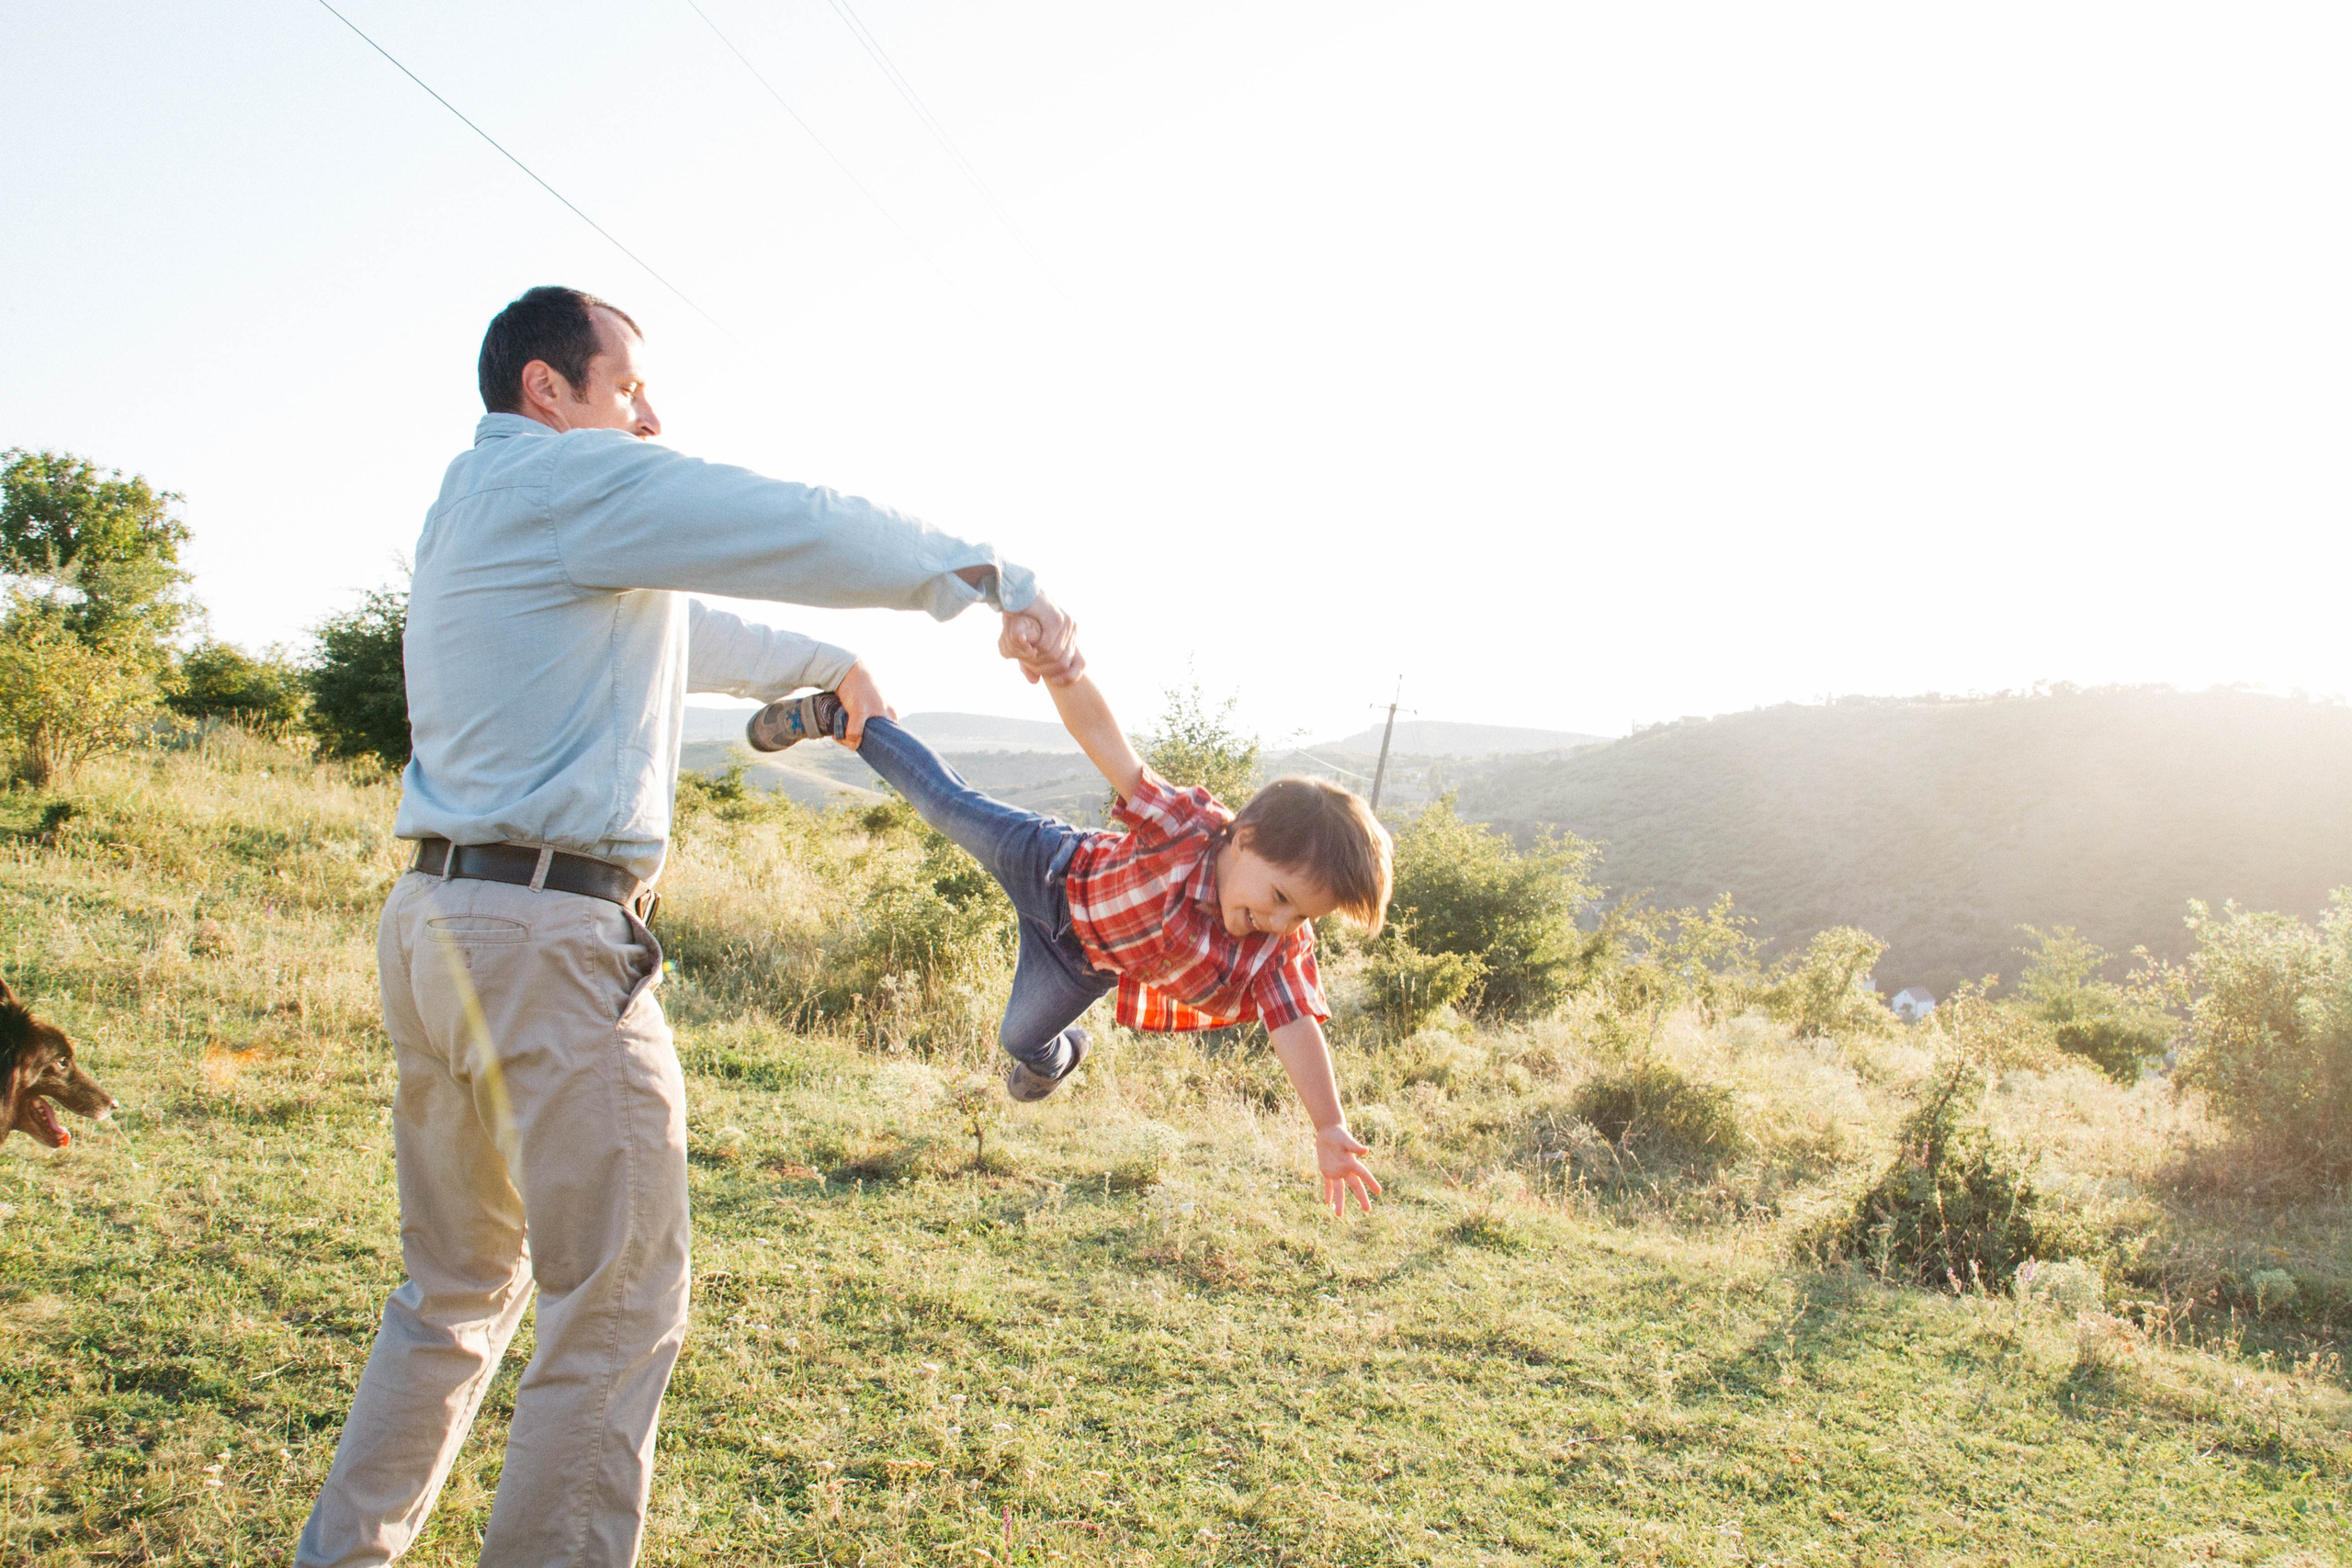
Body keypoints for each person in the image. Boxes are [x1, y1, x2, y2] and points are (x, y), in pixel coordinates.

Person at [297, 286, 1080, 1568]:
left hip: (442, 922)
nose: (652, 417)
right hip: (550, 943)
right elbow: (781, 521)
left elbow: (685, 628)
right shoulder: (563, 483)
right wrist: (992, 577)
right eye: (631, 388)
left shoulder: (484, 507)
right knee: (612, 1311)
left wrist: (817, 669)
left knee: (453, 1291)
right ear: (550, 392)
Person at [747, 660, 1389, 1220]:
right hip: (1048, 864)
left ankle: (1059, 1059)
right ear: (1243, 839)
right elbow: (1107, 743)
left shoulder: (1276, 950)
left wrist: (1328, 1123)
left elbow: (1296, 1023)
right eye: (1278, 898)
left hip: (1078, 962)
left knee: (1020, 1039)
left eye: (1300, 917)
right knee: (946, 803)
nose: (1278, 924)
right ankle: (842, 716)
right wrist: (1061, 669)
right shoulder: (1187, 827)